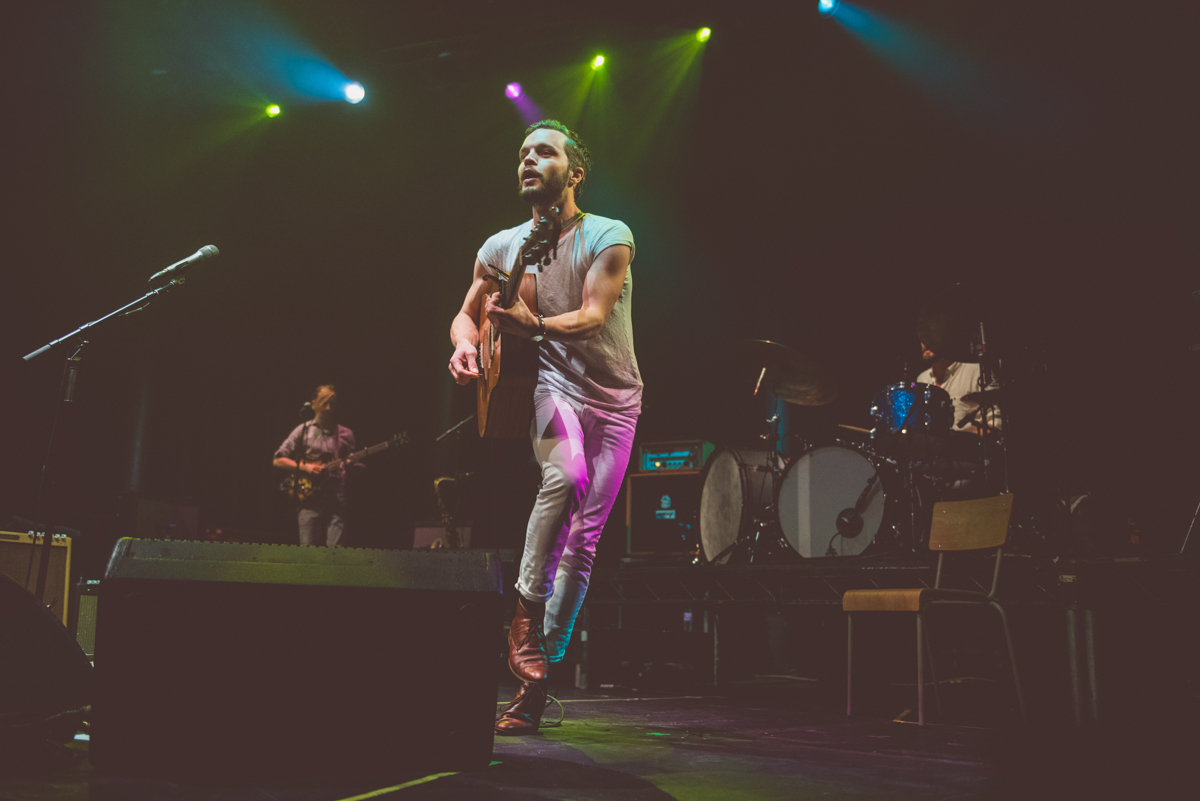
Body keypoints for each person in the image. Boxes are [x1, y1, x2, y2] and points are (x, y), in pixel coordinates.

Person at [448, 120, 640, 735]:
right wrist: (463, 346)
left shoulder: (609, 234)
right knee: (565, 477)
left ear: (574, 172)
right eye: (524, 154)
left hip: (617, 401)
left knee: (584, 540)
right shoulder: (501, 245)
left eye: (545, 152)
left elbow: (591, 315)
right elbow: (467, 311)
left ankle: (536, 681)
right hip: (554, 388)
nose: (530, 160)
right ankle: (527, 611)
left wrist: (532, 326)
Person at [272, 385, 357, 547]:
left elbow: (352, 473)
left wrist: (351, 467)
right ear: (313, 404)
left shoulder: (346, 434)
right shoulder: (302, 431)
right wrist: (306, 468)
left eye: (332, 403)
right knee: (309, 555)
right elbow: (278, 460)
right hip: (308, 499)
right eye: (324, 402)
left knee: (335, 555)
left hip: (336, 501)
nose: (328, 408)